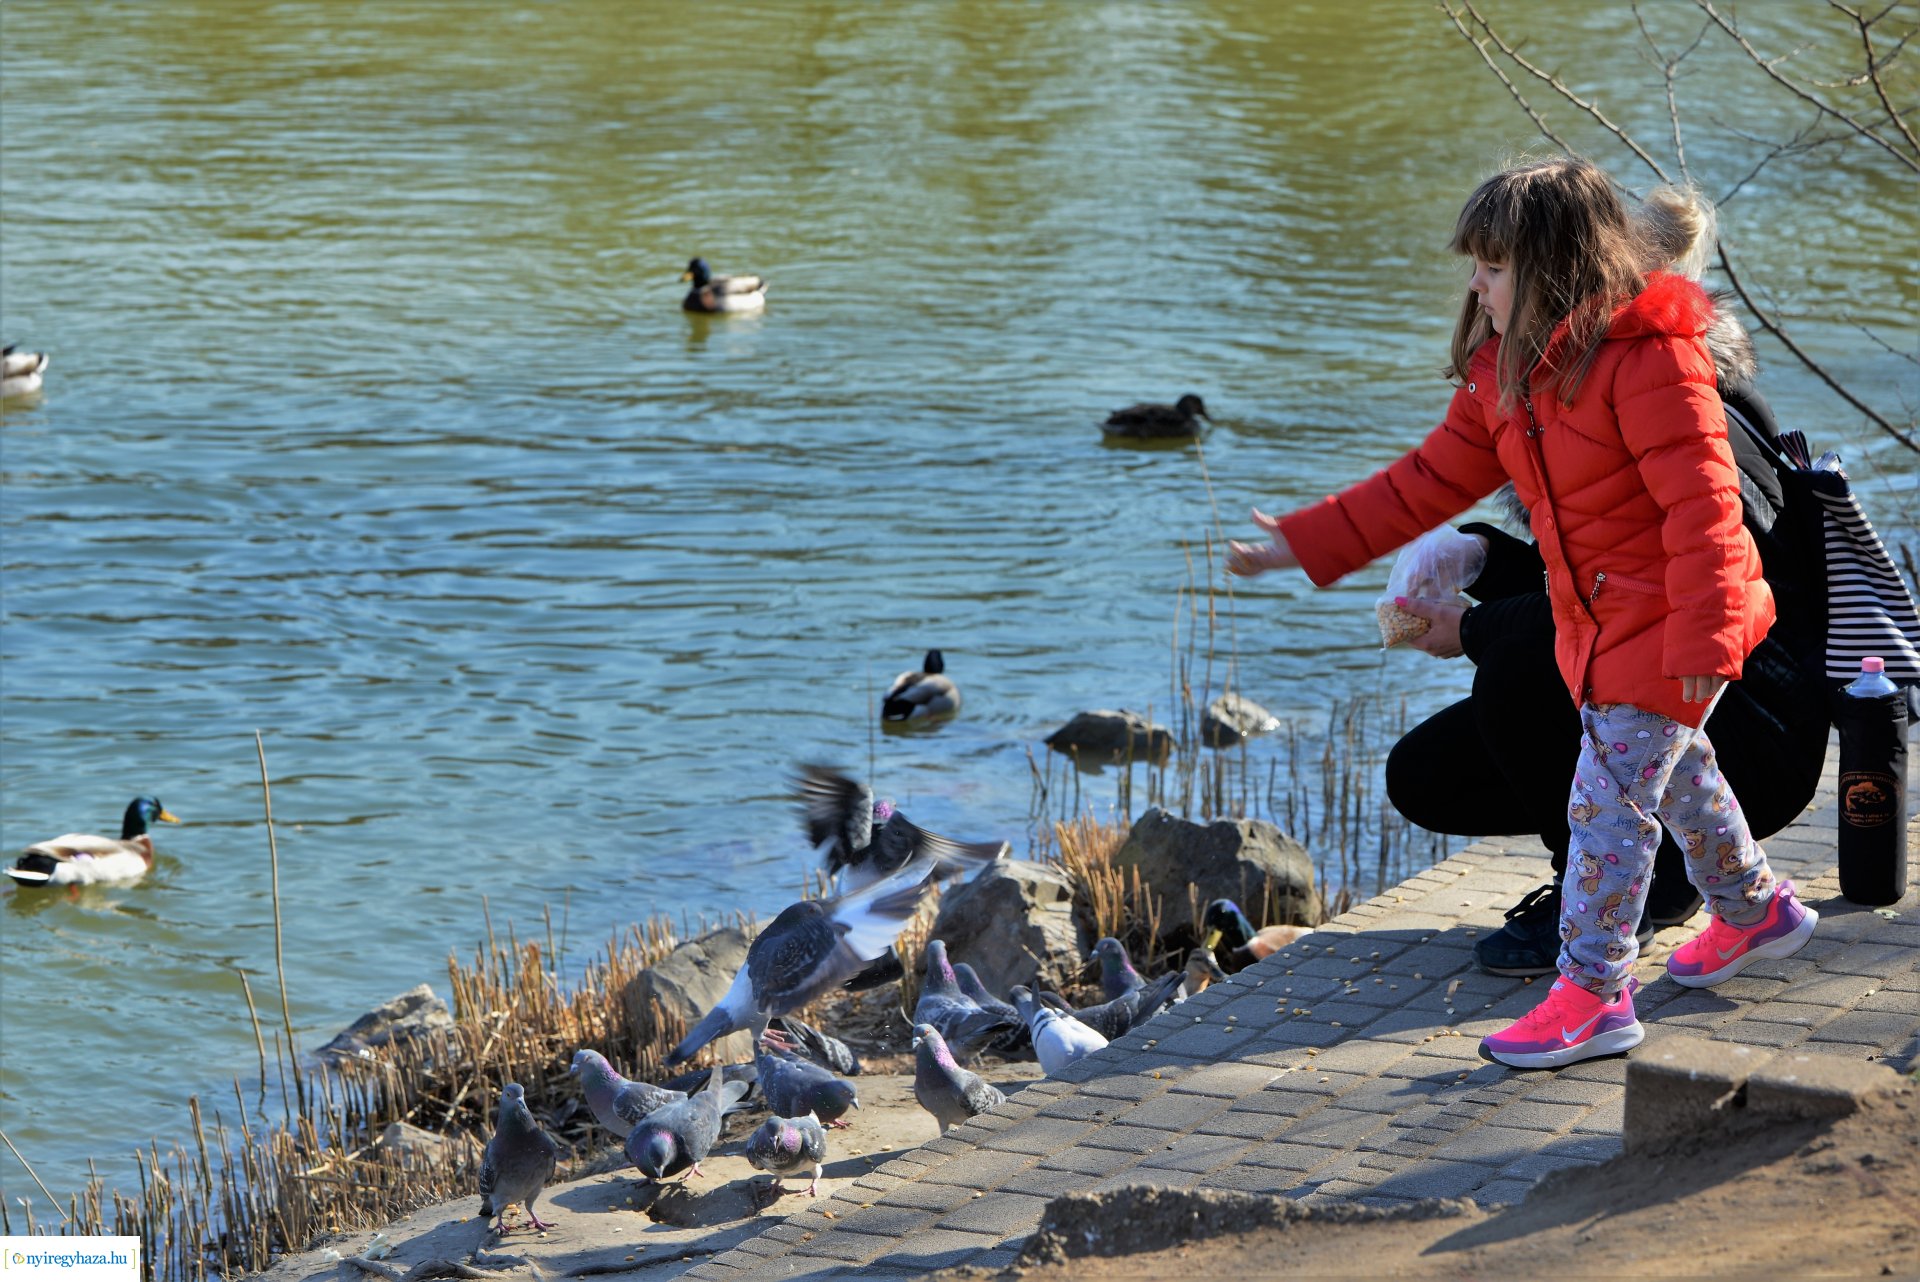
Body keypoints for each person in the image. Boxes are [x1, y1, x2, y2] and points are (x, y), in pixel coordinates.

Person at [1226, 157, 1820, 1069]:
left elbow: (1704, 508)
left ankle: (1592, 994)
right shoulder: (1510, 376)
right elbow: (1422, 481)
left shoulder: (1650, 359)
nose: (1475, 281)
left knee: (1607, 810)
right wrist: (1307, 543)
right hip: (1600, 624)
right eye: (1475, 262)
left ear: (1553, 267)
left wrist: (1704, 633)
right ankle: (1755, 912)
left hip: (1669, 622)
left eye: (1493, 266)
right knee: (1685, 778)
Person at [1380, 184, 1831, 978]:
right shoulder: (1571, 396)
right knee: (1425, 775)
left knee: (1525, 674)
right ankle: (1740, 903)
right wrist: (1476, 554)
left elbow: (1687, 578)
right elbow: (1595, 574)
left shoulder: (1682, 401)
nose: (1475, 293)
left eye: (1493, 270)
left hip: (1754, 717)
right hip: (1674, 689)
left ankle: (1600, 964)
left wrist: (1474, 631)